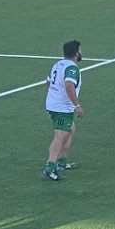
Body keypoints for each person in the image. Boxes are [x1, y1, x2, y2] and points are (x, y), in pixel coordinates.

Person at [43, 40, 84, 182]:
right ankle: (50, 167)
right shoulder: (72, 68)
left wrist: (54, 96)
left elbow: (48, 82)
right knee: (60, 135)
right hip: (61, 107)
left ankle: (61, 162)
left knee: (70, 129)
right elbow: (69, 86)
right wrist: (77, 105)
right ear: (76, 53)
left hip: (55, 104)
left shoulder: (57, 64)